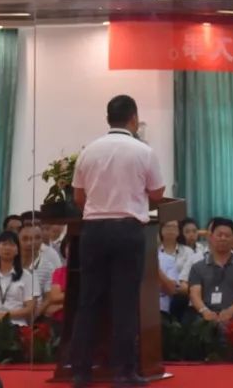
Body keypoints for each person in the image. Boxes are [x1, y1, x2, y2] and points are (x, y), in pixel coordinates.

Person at [70, 95, 166, 388]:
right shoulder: (143, 151)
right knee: (124, 302)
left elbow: (78, 197)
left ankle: (81, 372)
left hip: (93, 232)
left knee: (88, 301)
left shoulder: (89, 151)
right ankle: (124, 373)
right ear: (134, 118)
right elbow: (158, 193)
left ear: (107, 119)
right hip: (127, 230)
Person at [183, 217, 233, 327]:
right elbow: (194, 294)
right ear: (211, 237)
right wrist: (205, 311)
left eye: (227, 235)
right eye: (219, 235)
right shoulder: (197, 267)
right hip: (205, 319)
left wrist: (230, 312)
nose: (223, 238)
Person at [157, 219, 195, 320]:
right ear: (161, 230)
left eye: (174, 227)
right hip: (158, 294)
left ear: (179, 231)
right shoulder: (154, 252)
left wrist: (178, 286)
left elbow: (189, 275)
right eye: (167, 227)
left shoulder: (188, 252)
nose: (170, 230)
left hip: (182, 293)